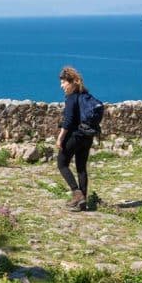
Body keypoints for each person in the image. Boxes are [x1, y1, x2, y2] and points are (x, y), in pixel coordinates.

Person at [56, 66, 94, 211]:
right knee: (81, 167)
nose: (62, 86)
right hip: (87, 136)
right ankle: (83, 201)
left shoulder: (72, 98)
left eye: (63, 82)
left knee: (62, 163)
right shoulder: (84, 95)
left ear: (71, 82)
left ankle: (77, 194)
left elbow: (68, 121)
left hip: (74, 136)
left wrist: (60, 138)